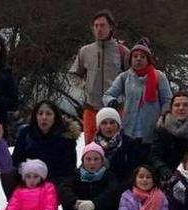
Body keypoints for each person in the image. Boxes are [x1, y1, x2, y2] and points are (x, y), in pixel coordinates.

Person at [69, 10, 129, 144]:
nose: (99, 29)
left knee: (117, 148)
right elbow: (73, 74)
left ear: (111, 27)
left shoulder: (122, 51)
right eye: (96, 26)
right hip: (92, 109)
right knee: (91, 150)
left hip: (116, 109)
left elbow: (131, 78)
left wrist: (122, 94)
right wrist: (85, 86)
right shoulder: (85, 51)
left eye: (102, 25)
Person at [102, 37, 172, 147]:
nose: (138, 59)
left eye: (142, 57)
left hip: (152, 130)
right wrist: (111, 101)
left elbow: (167, 101)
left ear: (148, 60)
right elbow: (107, 95)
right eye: (135, 56)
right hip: (128, 129)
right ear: (130, 60)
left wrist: (163, 119)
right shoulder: (124, 77)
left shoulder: (159, 76)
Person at [3, 100, 80, 197]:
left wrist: (45, 183)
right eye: (40, 114)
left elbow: (69, 170)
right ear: (35, 116)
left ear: (55, 117)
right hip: (28, 177)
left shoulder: (66, 138)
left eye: (48, 114)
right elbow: (16, 161)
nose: (44, 117)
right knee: (7, 173)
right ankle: (15, 204)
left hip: (55, 182)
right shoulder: (26, 133)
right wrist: (30, 174)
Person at [58, 143, 122, 210]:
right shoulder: (76, 175)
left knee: (113, 200)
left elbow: (112, 192)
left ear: (102, 160)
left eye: (96, 159)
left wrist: (93, 204)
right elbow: (64, 189)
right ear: (83, 161)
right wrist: (76, 203)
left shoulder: (109, 176)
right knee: (66, 199)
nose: (92, 162)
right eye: (88, 159)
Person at [93, 107, 145, 186]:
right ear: (99, 127)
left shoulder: (130, 144)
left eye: (112, 122)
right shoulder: (93, 147)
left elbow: (136, 171)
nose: (108, 126)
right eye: (104, 123)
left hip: (124, 189)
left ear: (118, 125)